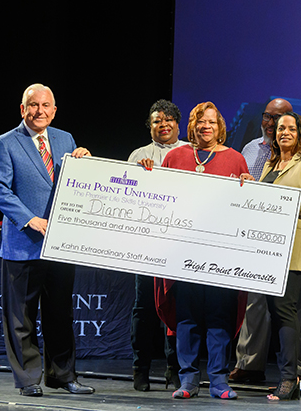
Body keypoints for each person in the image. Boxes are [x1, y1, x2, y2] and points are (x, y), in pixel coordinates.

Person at [0, 84, 95, 397]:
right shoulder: (5, 143)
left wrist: (84, 162)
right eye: (33, 105)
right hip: (23, 243)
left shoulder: (65, 139)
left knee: (60, 314)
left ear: (54, 110)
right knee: (21, 317)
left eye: (46, 105)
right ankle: (28, 379)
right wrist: (29, 219)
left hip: (60, 244)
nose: (39, 111)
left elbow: (74, 182)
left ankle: (63, 376)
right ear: (23, 109)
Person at [161, 101, 248, 400]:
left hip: (220, 255)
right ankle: (188, 381)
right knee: (187, 318)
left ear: (219, 126)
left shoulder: (236, 160)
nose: (205, 126)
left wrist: (248, 188)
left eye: (211, 121)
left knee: (219, 317)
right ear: (193, 126)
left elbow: (245, 205)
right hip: (183, 253)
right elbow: (159, 197)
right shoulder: (175, 157)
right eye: (200, 120)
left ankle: (220, 381)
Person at [241, 112, 301, 400]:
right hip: (268, 250)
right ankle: (287, 376)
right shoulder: (270, 164)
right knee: (275, 313)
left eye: (290, 128)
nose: (284, 132)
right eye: (279, 128)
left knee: (286, 311)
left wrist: (279, 200)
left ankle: (290, 378)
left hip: (294, 249)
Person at [232, 98, 301, 385]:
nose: (271, 123)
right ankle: (249, 365)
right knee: (255, 303)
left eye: (278, 119)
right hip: (257, 236)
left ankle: (298, 370)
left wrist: (280, 202)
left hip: (289, 241)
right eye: (267, 117)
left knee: (293, 308)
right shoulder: (253, 150)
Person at [127, 99, 189, 391]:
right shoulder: (139, 154)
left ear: (178, 123)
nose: (162, 125)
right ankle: (140, 369)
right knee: (144, 307)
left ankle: (174, 370)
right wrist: (141, 173)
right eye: (156, 121)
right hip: (147, 243)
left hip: (180, 242)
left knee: (175, 308)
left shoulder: (191, 153)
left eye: (168, 120)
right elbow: (126, 193)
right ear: (149, 126)